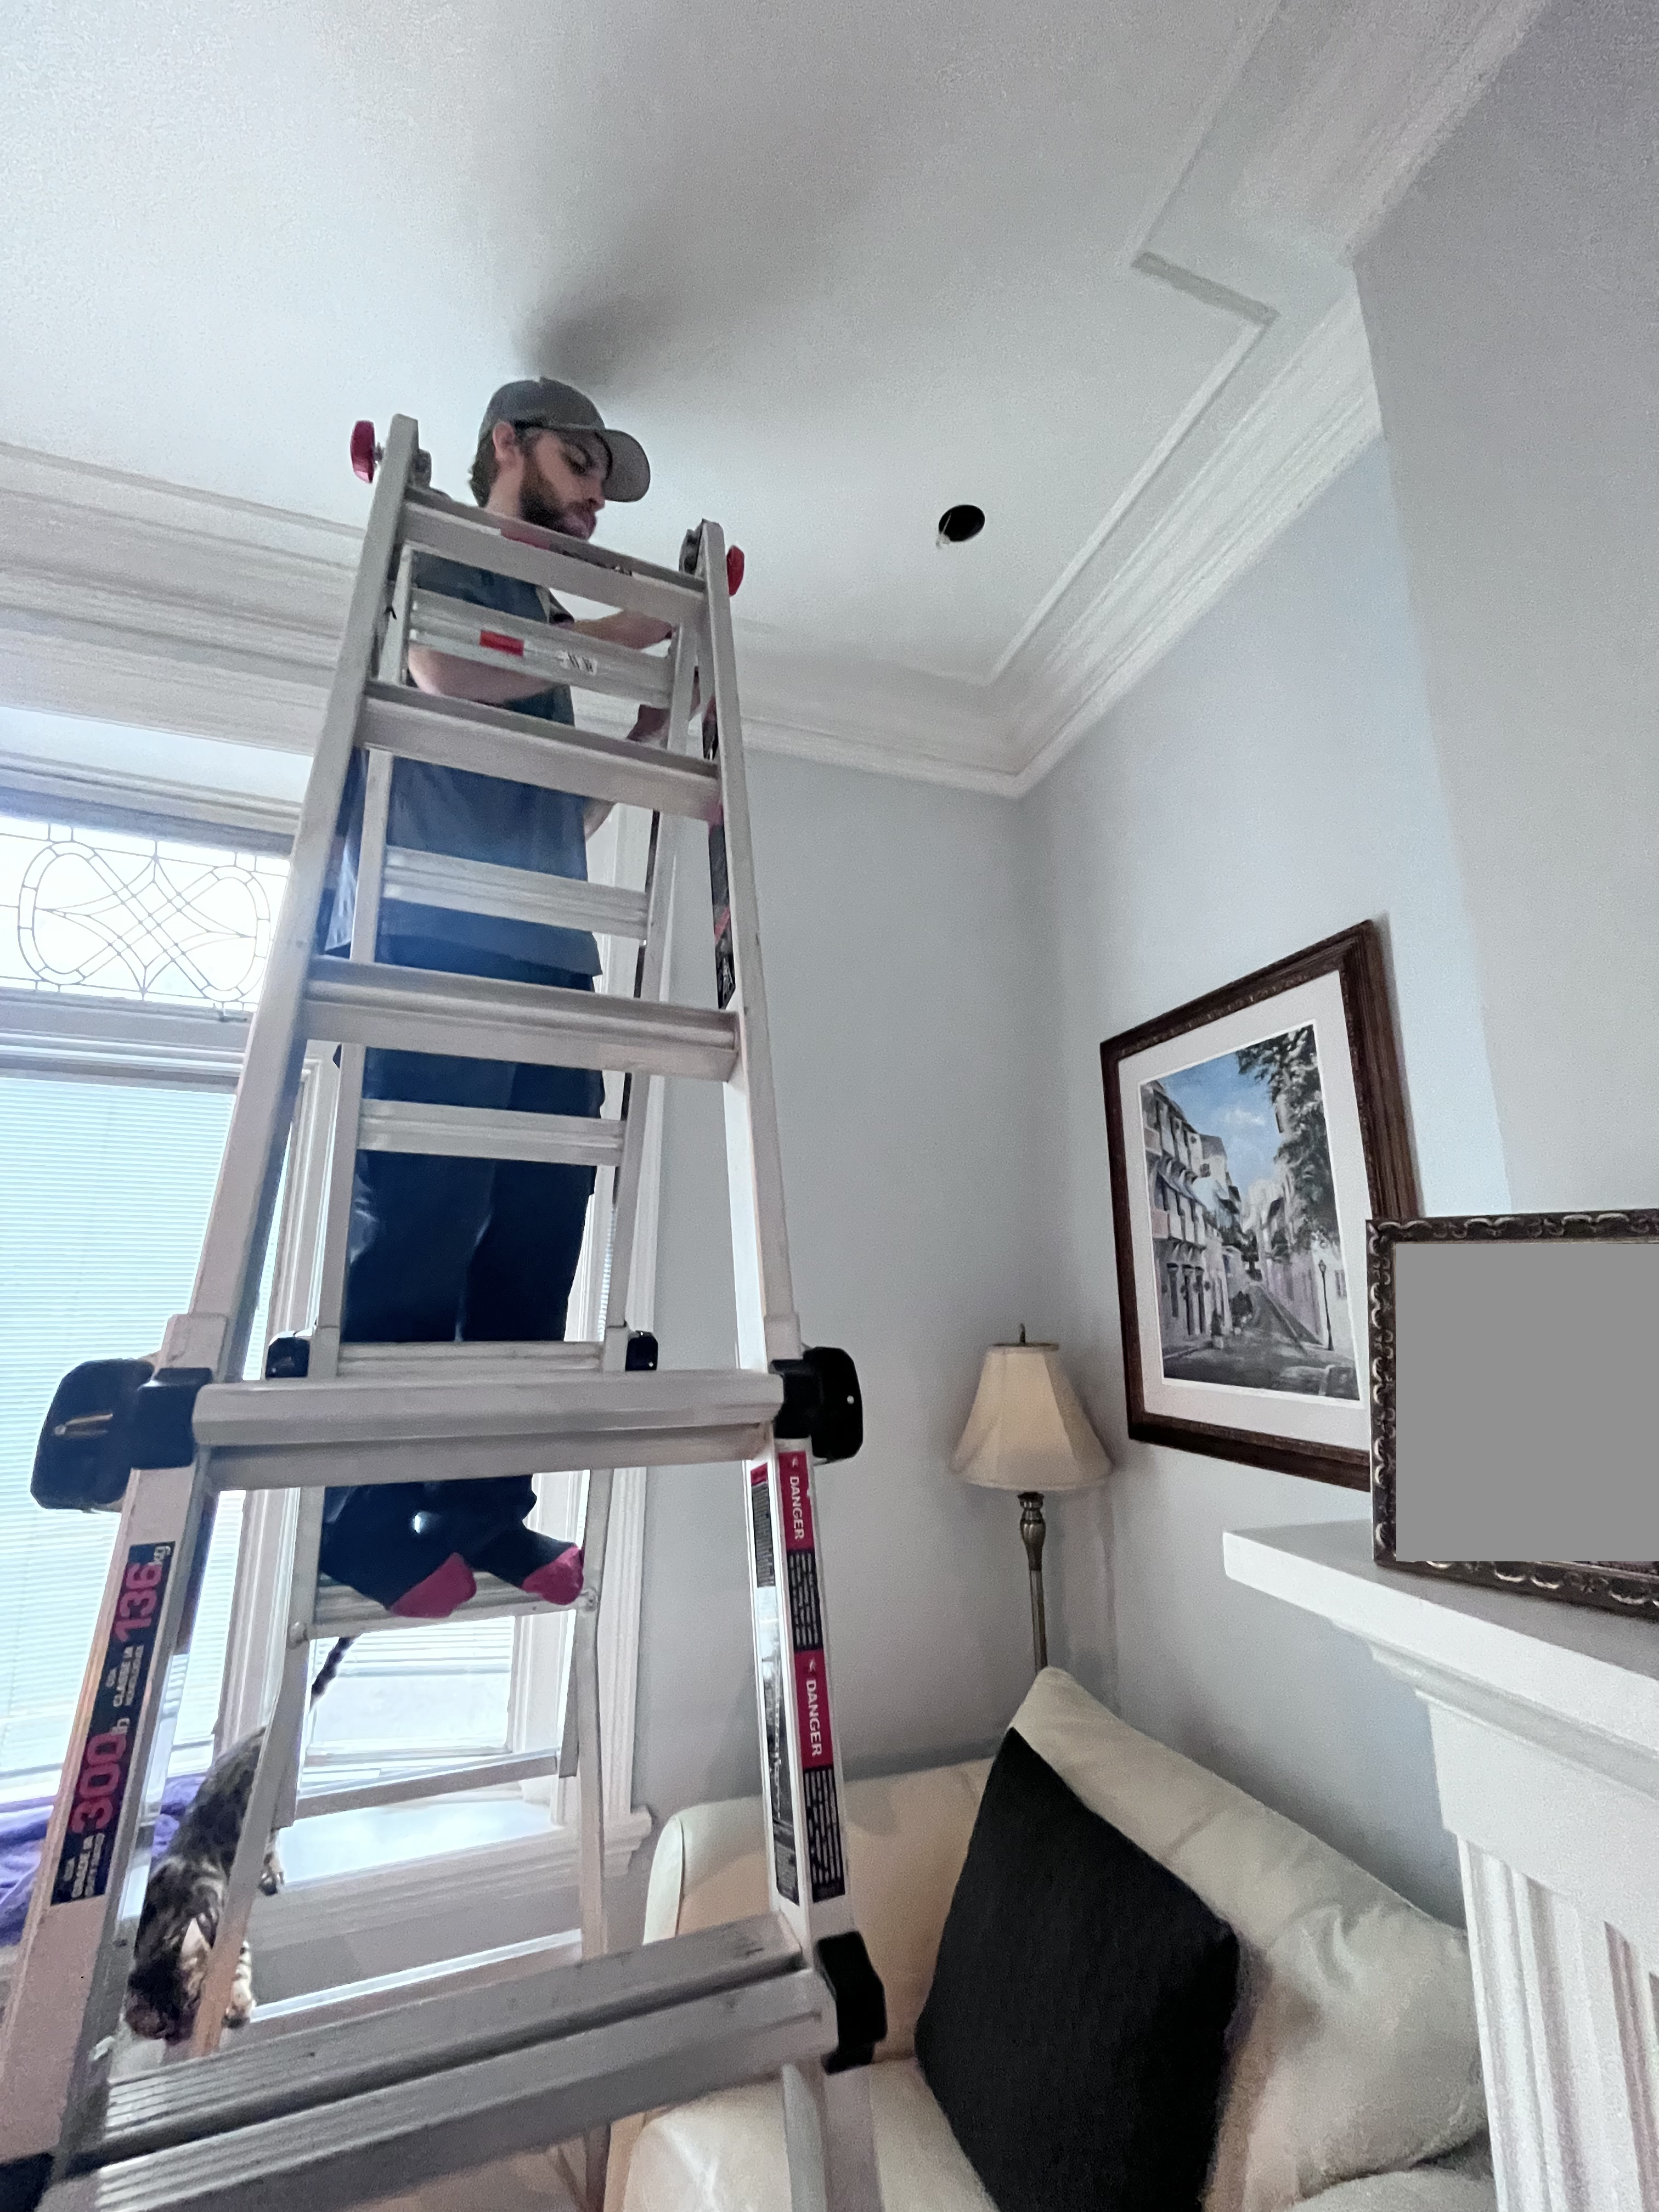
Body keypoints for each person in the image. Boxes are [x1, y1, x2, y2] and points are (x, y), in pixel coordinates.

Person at [318, 378, 668, 1620]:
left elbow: (561, 811)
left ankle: (484, 1509)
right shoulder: (448, 554)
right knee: (423, 1223)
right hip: (434, 938)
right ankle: (358, 1518)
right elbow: (444, 674)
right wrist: (632, 629)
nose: (593, 501)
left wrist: (640, 740)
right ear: (508, 445)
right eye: (581, 465)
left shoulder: (545, 624)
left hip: (549, 955)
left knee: (536, 1239)